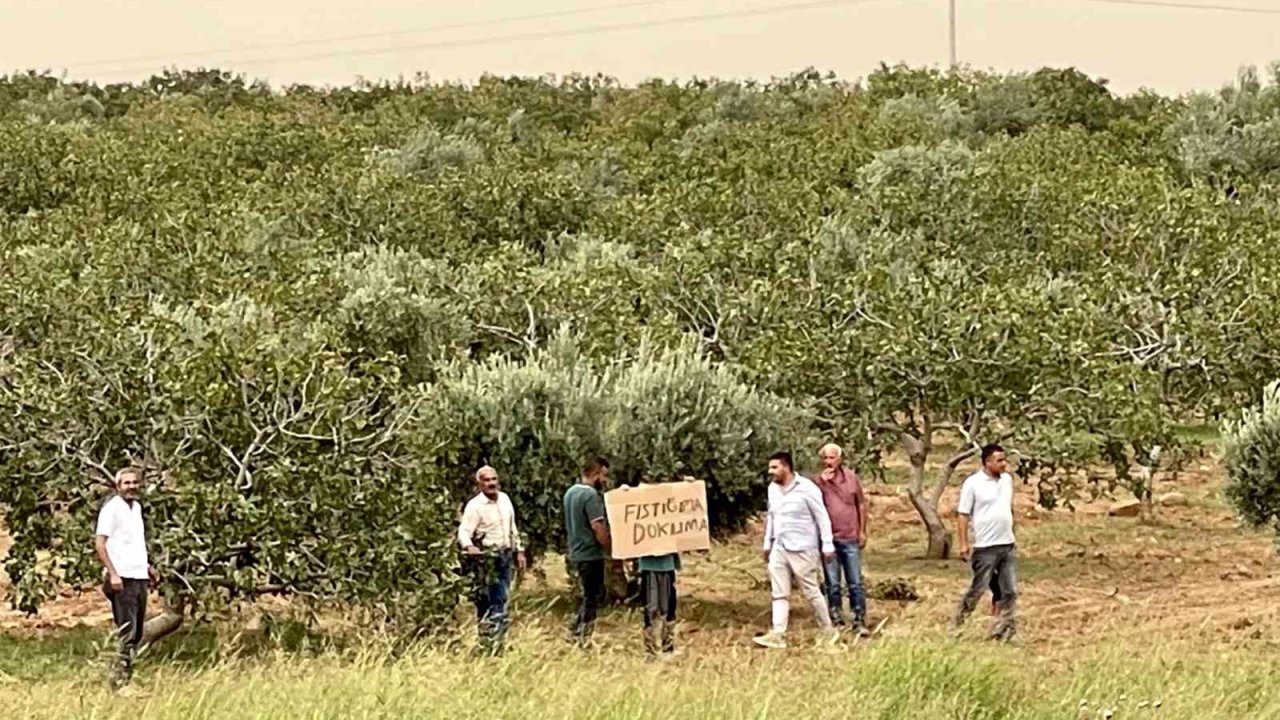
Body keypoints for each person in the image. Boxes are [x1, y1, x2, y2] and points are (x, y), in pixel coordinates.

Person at [753, 451, 838, 649]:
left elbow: (822, 516)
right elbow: (772, 517)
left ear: (786, 467)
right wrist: (768, 543)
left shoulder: (807, 488)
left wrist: (827, 544)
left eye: (775, 467)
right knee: (779, 591)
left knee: (811, 590)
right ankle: (778, 633)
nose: (770, 472)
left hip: (803, 547)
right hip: (780, 546)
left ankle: (828, 630)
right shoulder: (773, 489)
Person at [94, 467, 159, 693]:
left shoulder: (136, 508)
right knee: (127, 631)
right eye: (126, 483)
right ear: (117, 485)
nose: (131, 486)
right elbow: (100, 544)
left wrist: (147, 567)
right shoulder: (112, 509)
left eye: (135, 482)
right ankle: (119, 684)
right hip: (122, 578)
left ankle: (125, 679)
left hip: (138, 575)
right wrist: (112, 573)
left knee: (137, 632)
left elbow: (133, 543)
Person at [952, 444, 1019, 643]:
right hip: (985, 547)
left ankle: (1004, 631)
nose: (1003, 464)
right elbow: (963, 515)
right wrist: (963, 543)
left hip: (1006, 544)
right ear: (987, 462)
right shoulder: (973, 483)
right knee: (978, 588)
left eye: (1004, 460)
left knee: (1008, 591)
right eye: (999, 460)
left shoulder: (1006, 480)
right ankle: (959, 624)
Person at [458, 465, 527, 655]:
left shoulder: (504, 499)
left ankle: (497, 644)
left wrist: (519, 550)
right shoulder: (475, 506)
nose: (491, 483)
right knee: (487, 601)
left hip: (504, 556)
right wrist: (469, 546)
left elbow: (512, 527)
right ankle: (489, 645)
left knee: (502, 599)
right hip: (486, 559)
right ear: (479, 483)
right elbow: (464, 532)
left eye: (494, 479)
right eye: (487, 480)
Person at [814, 443, 870, 636]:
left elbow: (861, 504)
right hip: (829, 539)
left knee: (855, 581)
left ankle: (858, 618)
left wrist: (862, 531)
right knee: (833, 582)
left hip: (850, 536)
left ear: (839, 459)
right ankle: (836, 617)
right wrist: (821, 482)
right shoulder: (817, 482)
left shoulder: (851, 478)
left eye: (832, 458)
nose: (828, 462)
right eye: (825, 458)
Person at [563, 457, 611, 646]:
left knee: (585, 594)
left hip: (576, 552)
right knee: (592, 597)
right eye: (604, 475)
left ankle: (575, 631)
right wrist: (609, 548)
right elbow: (597, 526)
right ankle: (582, 636)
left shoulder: (570, 493)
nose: (605, 480)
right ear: (595, 474)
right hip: (590, 554)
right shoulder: (591, 496)